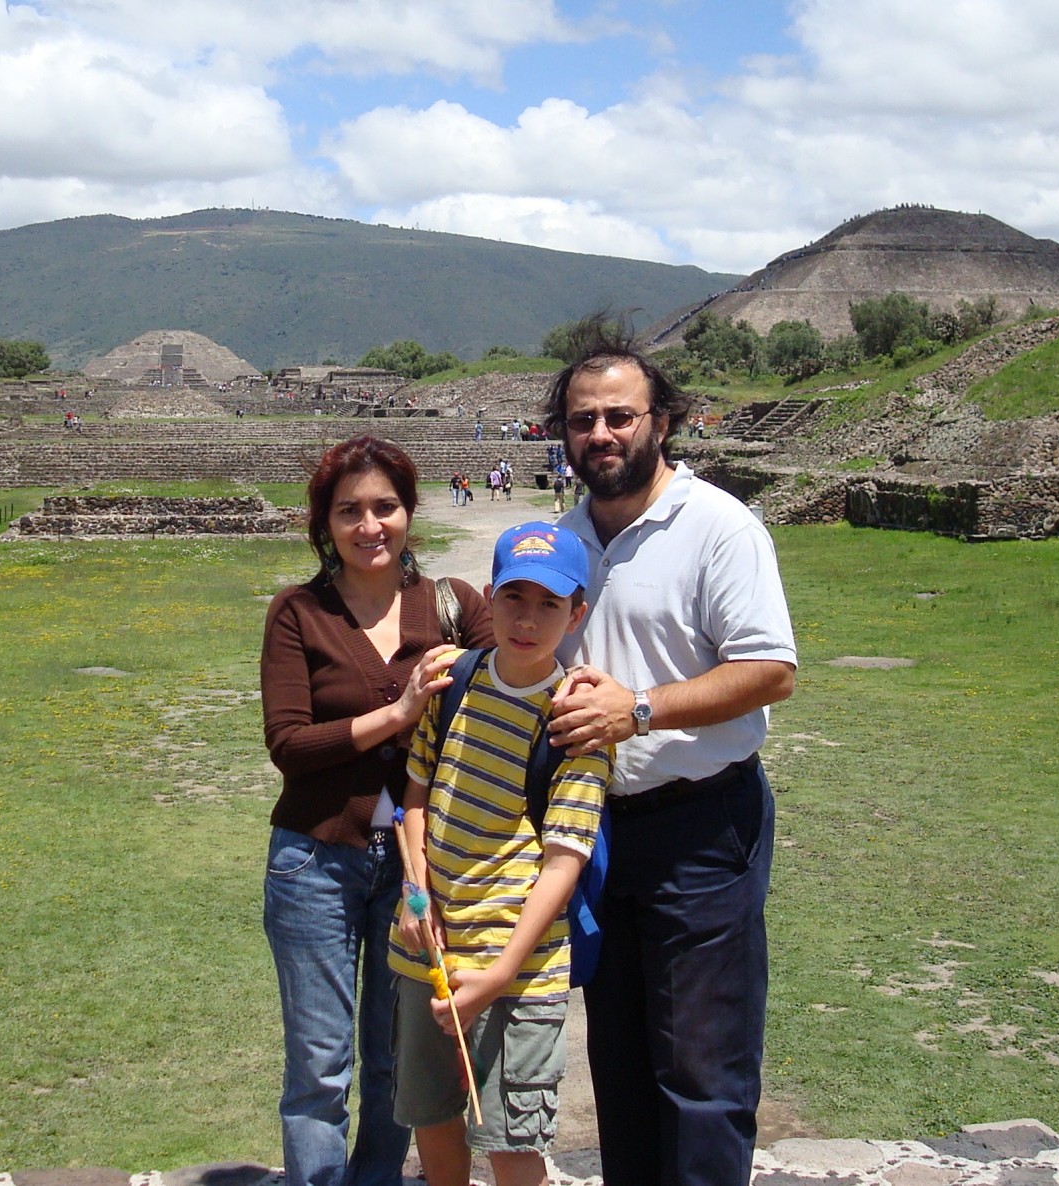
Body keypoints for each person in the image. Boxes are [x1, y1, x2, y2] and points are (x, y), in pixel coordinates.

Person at [543, 325, 797, 1186]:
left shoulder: (718, 526)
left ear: (662, 422)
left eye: (620, 415)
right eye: (583, 421)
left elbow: (769, 670)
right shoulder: (567, 536)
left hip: (700, 828)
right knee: (617, 1064)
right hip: (599, 834)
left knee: (701, 1069)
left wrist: (639, 709)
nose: (601, 435)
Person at [260, 436, 497, 1186]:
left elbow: (517, 688)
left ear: (409, 511)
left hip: (418, 866)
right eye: (349, 511)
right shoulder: (299, 613)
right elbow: (290, 744)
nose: (370, 526)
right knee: (320, 1067)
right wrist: (399, 713)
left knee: (397, 1060)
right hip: (314, 860)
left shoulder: (454, 606)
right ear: (323, 524)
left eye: (384, 507)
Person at [390, 522, 611, 1186]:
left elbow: (564, 862)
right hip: (429, 947)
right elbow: (417, 794)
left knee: (514, 1143)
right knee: (432, 1119)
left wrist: (498, 973)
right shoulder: (454, 680)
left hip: (519, 967)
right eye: (514, 597)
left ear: (577, 614)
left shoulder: (577, 720)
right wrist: (412, 890)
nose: (528, 619)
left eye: (550, 604)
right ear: (490, 597)